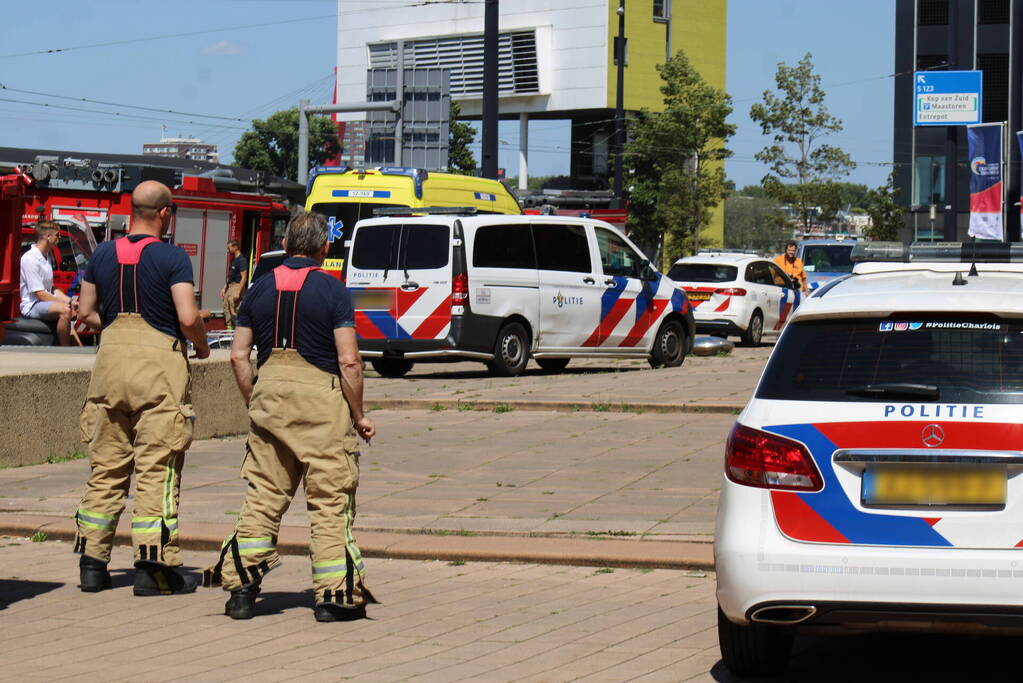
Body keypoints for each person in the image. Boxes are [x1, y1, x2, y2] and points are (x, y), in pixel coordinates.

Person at [204, 210, 376, 622]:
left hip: (270, 402)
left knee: (263, 499)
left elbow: (238, 355)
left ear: (285, 246)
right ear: (324, 248)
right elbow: (349, 361)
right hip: (322, 405)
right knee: (329, 503)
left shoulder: (258, 290)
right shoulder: (333, 291)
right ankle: (334, 597)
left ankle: (241, 592)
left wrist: (255, 400)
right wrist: (358, 414)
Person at [73, 180, 211, 596]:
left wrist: (115, 329)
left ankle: (93, 565)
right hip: (157, 374)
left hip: (110, 369)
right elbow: (187, 316)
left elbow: (85, 313)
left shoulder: (101, 254)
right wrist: (202, 344)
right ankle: (153, 570)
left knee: (108, 469)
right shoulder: (172, 258)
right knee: (157, 470)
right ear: (165, 213)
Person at [19, 220, 73, 345]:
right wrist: (66, 306)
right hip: (32, 306)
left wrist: (71, 301)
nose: (59, 238)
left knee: (69, 316)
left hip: (43, 303)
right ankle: (67, 353)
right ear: (48, 237)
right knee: (65, 311)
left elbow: (52, 289)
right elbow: (40, 294)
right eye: (58, 235)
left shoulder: (46, 256)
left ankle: (78, 352)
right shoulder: (30, 258)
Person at [220, 240, 247, 330]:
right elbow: (230, 276)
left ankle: (237, 331)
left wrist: (238, 293)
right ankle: (229, 331)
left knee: (234, 310)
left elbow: (244, 277)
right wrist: (224, 287)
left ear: (235, 247)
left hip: (236, 286)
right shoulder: (233, 260)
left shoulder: (242, 260)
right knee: (226, 309)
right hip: (230, 287)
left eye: (229, 248)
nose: (228, 251)